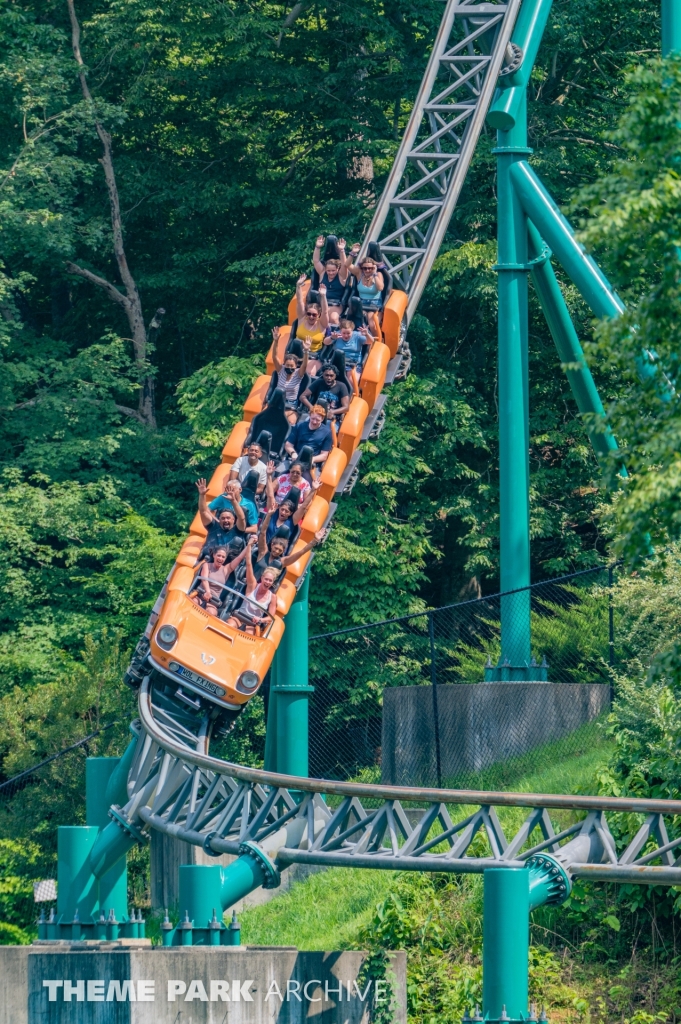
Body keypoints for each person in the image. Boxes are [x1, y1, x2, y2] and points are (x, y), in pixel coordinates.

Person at [225, 537, 278, 635]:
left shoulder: (272, 597)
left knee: (248, 635)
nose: (267, 582)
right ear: (262, 578)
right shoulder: (253, 585)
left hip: (252, 623)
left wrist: (261, 619)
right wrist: (250, 545)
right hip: (239, 617)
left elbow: (270, 617)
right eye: (266, 579)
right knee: (230, 625)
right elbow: (249, 564)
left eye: (270, 581)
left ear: (272, 582)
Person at [262, 477, 321, 553]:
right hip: (263, 546)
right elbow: (270, 495)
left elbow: (303, 507)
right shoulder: (273, 513)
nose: (283, 512)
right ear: (279, 508)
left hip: (277, 552)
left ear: (291, 513)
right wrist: (269, 475)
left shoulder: (291, 522)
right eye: (282, 509)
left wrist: (313, 489)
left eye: (286, 511)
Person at [254, 524, 327, 583]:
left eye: (280, 550)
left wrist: (314, 541)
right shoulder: (263, 552)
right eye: (276, 548)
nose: (277, 551)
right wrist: (269, 515)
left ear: (283, 551)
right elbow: (262, 533)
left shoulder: (282, 561)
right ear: (272, 545)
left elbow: (301, 552)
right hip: (251, 582)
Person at [190, 544, 248, 616]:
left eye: (223, 557)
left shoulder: (226, 570)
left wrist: (249, 545)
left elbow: (240, 557)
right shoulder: (207, 565)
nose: (220, 558)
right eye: (219, 555)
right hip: (200, 594)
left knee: (212, 612)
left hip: (213, 601)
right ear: (214, 555)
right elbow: (204, 579)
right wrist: (208, 592)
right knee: (193, 602)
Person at [196, 478, 247, 558]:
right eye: (223, 518)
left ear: (233, 520)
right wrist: (202, 495)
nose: (225, 520)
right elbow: (203, 511)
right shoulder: (213, 526)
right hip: (209, 559)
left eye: (228, 518)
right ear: (219, 519)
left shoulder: (238, 530)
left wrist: (233, 500)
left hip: (228, 563)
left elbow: (241, 518)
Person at [271, 328, 310, 423]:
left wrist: (306, 351)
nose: (289, 367)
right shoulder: (281, 370)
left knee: (291, 421)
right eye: (287, 365)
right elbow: (274, 357)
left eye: (292, 366)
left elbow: (305, 365)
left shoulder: (298, 373)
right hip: (277, 401)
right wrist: (276, 341)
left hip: (291, 404)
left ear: (296, 366)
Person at [293, 274, 329, 375]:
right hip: (298, 353)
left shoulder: (322, 324)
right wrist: (298, 286)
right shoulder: (302, 319)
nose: (311, 317)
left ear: (318, 315)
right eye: (309, 314)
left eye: (314, 315)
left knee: (309, 372)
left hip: (313, 355)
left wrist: (323, 296)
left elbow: (325, 311)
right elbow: (299, 302)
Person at [347, 246, 385, 337]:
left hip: (375, 304)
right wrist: (353, 253)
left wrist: (374, 274)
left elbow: (380, 288)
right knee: (358, 321)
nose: (367, 270)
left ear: (374, 267)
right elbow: (347, 265)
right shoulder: (359, 274)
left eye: (370, 268)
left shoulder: (378, 274)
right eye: (365, 268)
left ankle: (376, 340)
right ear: (362, 268)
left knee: (372, 323)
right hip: (361, 303)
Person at [313, 235, 349, 307]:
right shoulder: (323, 273)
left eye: (333, 270)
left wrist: (342, 250)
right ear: (325, 269)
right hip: (322, 303)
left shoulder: (341, 276)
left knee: (331, 314)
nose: (331, 273)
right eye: (328, 271)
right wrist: (317, 247)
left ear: (338, 269)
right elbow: (316, 261)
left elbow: (344, 264)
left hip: (336, 304)